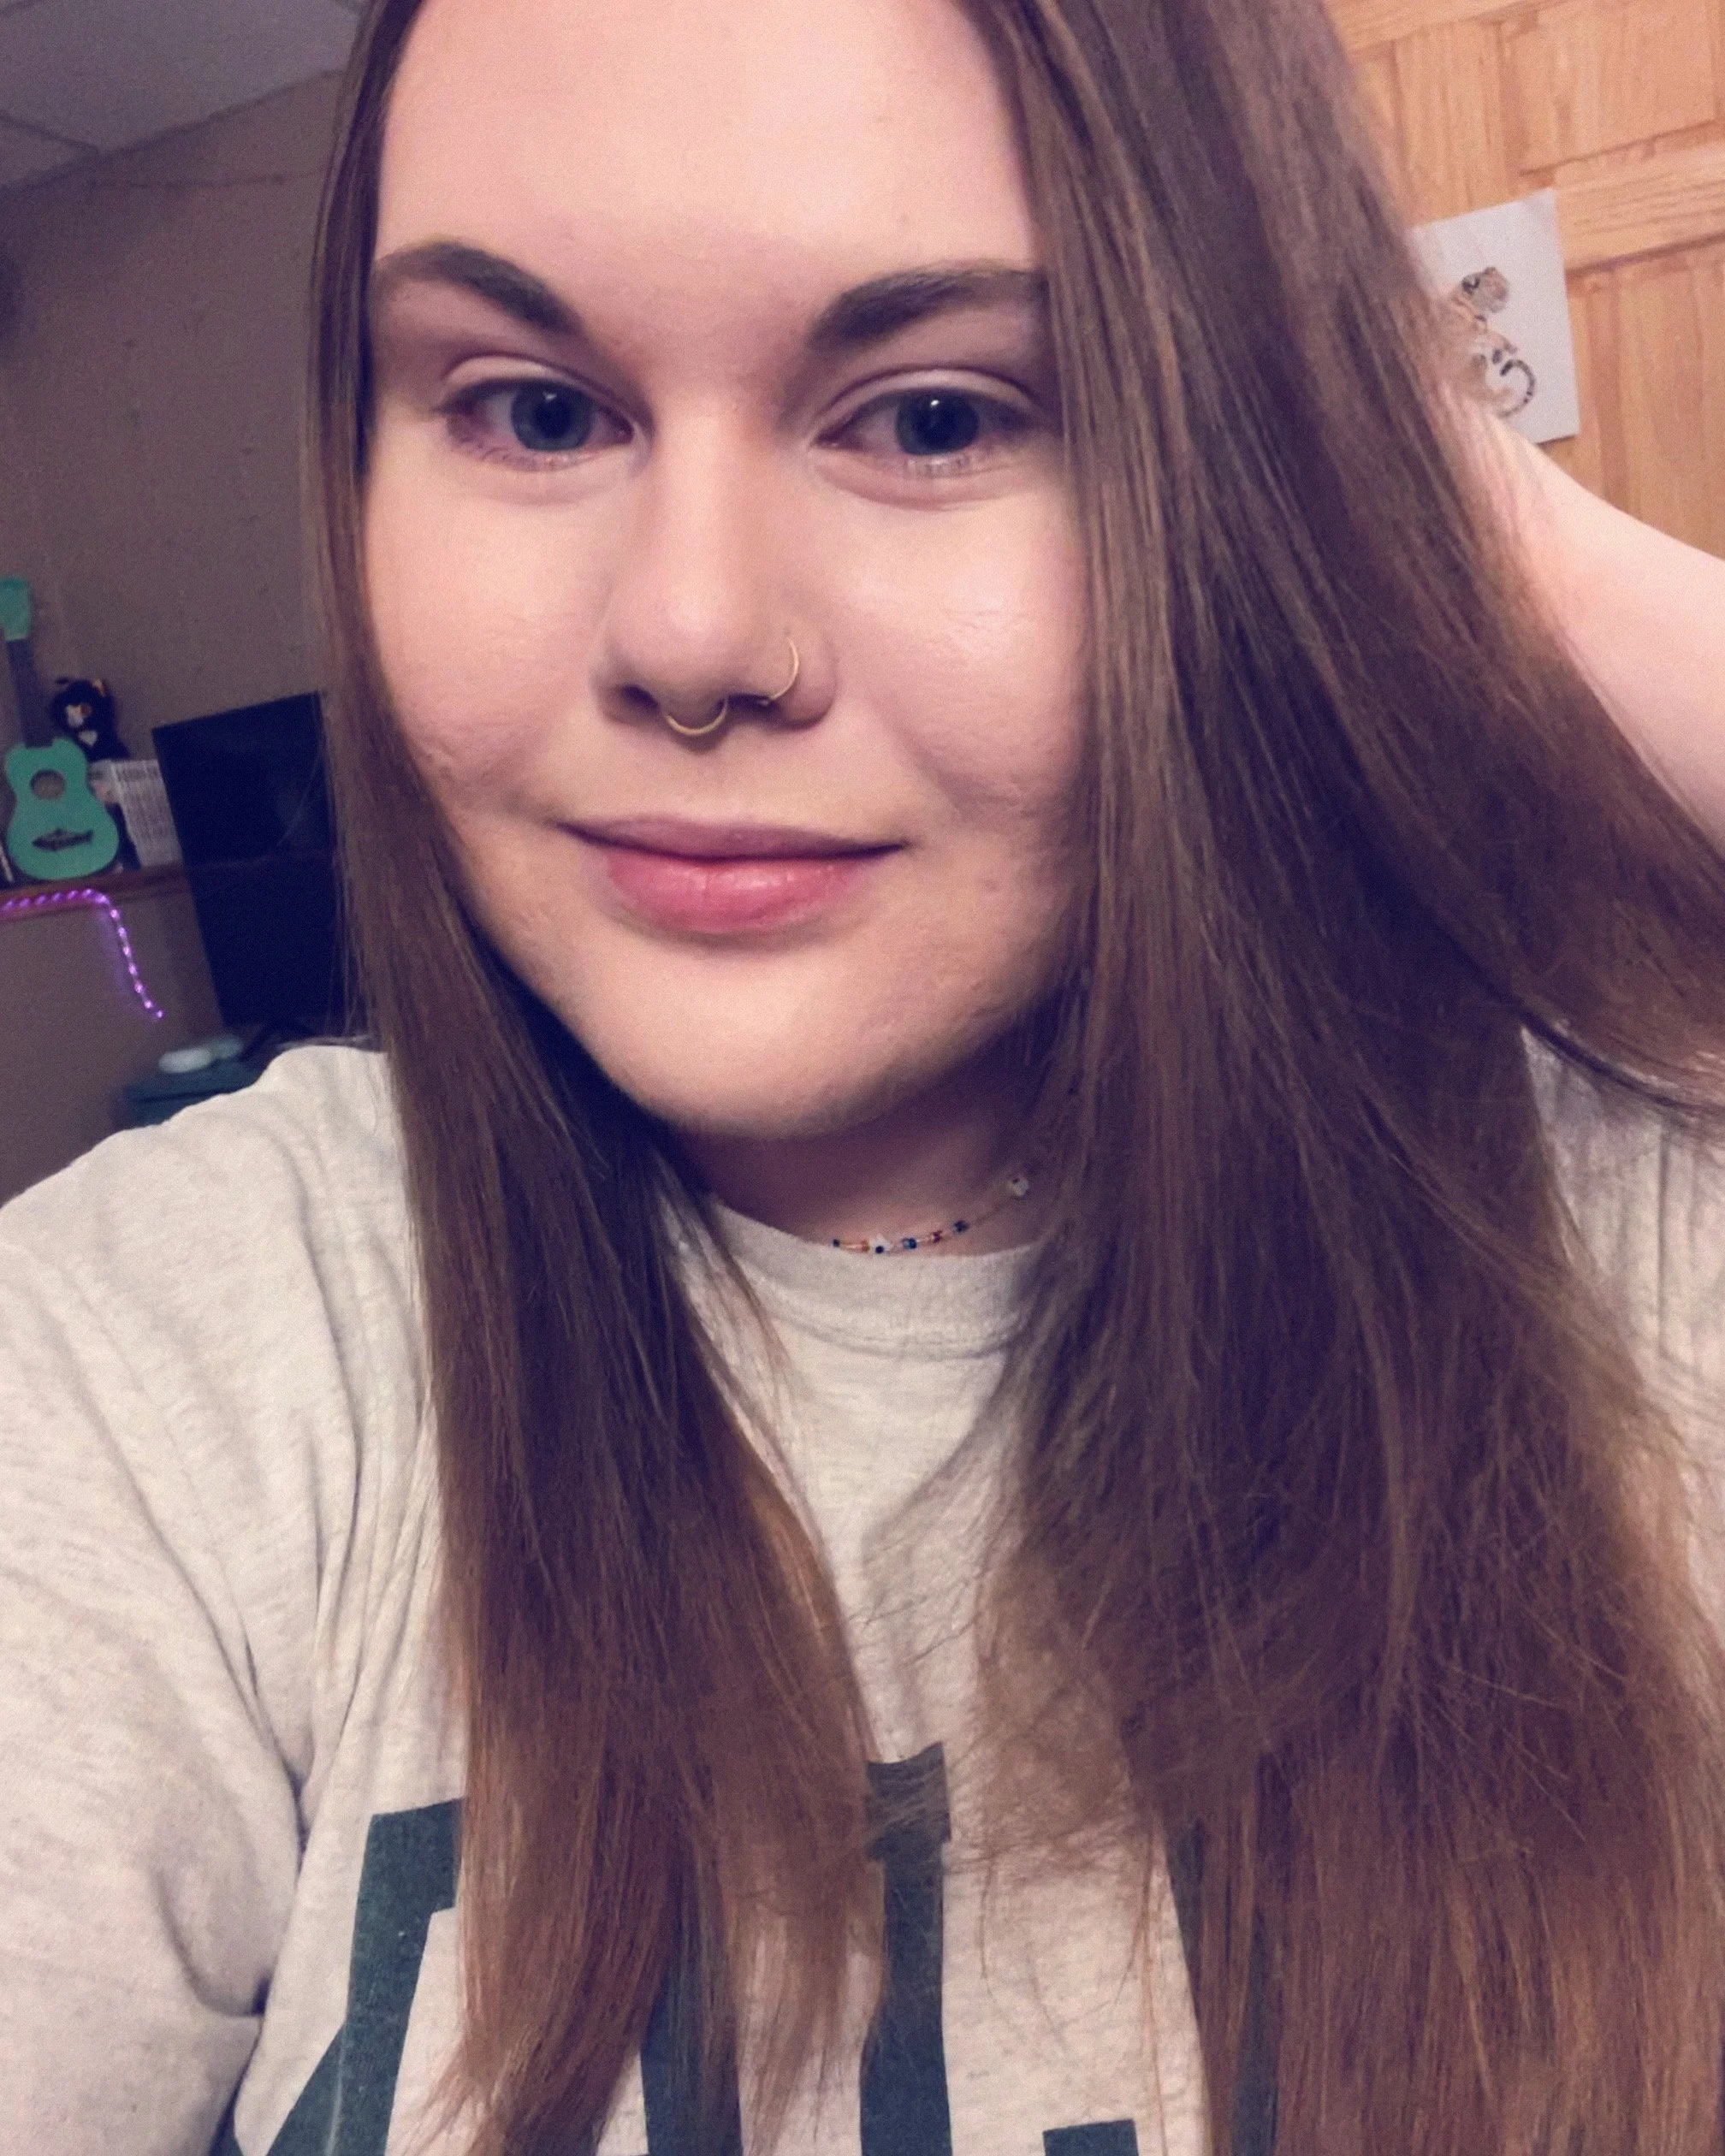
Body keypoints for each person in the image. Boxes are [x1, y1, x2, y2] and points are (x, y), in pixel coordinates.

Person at [3, 0, 1724, 2151]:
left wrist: (1446, 515)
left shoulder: (1623, 1230)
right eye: (534, 408)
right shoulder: (164, 1351)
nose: (693, 632)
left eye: (931, 415)